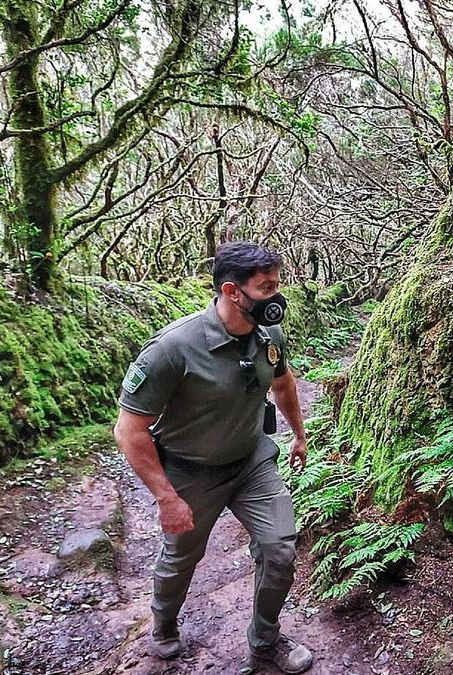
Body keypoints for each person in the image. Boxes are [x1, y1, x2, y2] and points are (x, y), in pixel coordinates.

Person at [113, 241, 313, 673]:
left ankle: (265, 641)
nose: (276, 297)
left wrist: (299, 435)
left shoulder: (269, 335)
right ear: (231, 291)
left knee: (279, 549)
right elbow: (129, 431)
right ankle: (164, 623)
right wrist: (167, 498)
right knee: (181, 556)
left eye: (277, 285)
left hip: (252, 462)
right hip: (191, 472)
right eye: (266, 287)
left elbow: (284, 384)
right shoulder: (173, 349)